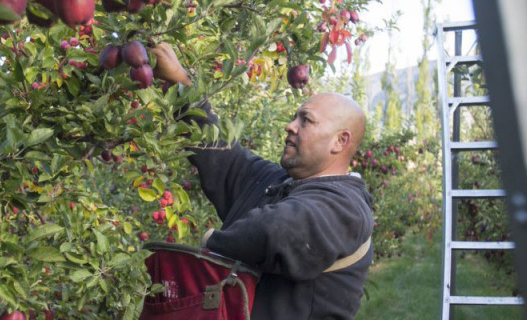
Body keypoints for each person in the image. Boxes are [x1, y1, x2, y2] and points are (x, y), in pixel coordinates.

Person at [152, 44, 375, 320]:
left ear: (340, 141)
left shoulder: (346, 207)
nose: (290, 126)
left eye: (306, 121)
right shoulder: (278, 181)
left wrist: (212, 244)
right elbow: (224, 156)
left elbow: (279, 230)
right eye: (295, 116)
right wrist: (182, 84)